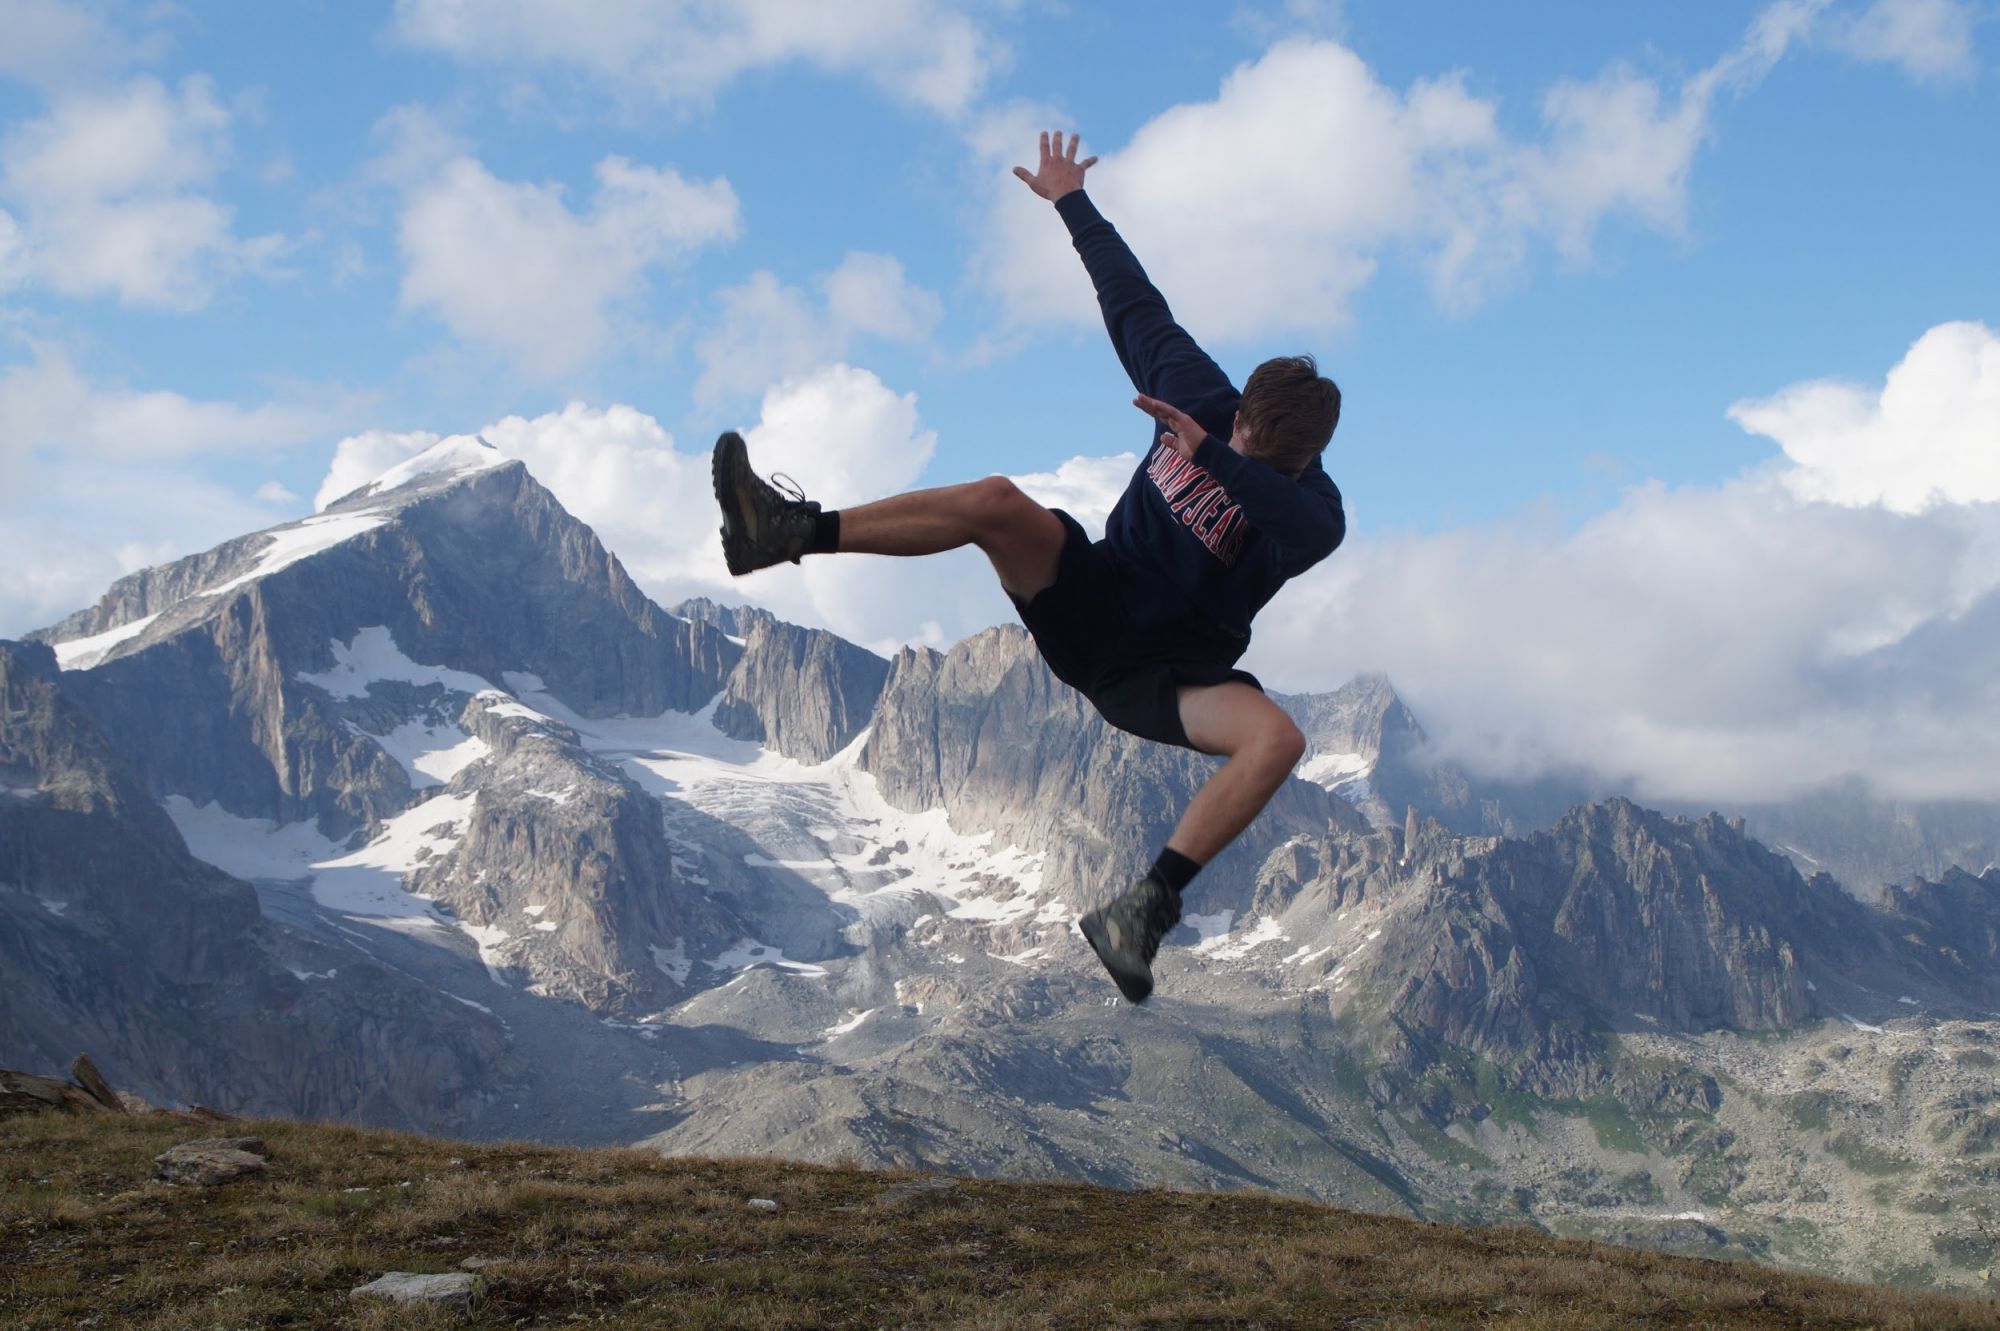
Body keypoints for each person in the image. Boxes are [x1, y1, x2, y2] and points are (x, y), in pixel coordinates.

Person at [712, 130, 1344, 1003]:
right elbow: (1135, 303)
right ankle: (782, 530)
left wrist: (1222, 462)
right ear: (1239, 407)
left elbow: (1300, 527)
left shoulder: (1311, 511)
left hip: (1164, 675)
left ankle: (1141, 915)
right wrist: (1069, 202)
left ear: (1302, 463)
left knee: (1280, 738)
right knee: (998, 500)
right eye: (1234, 433)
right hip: (1095, 601)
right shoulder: (1202, 395)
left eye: (1257, 456)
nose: (1232, 446)